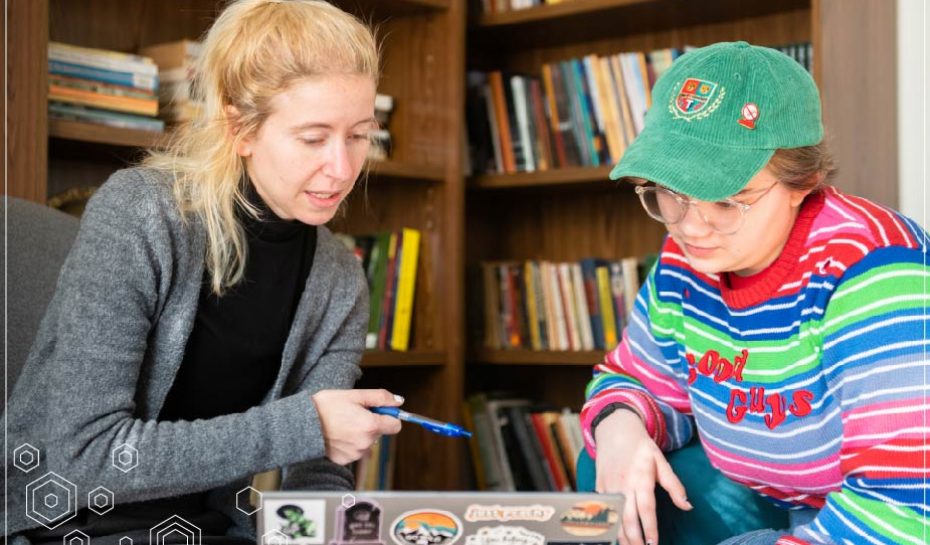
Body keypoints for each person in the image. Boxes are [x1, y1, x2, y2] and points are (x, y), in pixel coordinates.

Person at [6, 1, 404, 543]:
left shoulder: (338, 278)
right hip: (66, 522)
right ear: (240, 128)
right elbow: (86, 457)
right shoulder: (140, 213)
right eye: (313, 138)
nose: (342, 168)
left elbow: (316, 467)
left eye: (359, 135)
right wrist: (305, 425)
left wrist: (332, 526)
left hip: (204, 529)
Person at [582, 41, 929, 545]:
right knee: (607, 464)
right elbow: (631, 378)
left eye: (726, 201)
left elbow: (906, 505)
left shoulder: (877, 271)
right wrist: (619, 425)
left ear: (802, 183)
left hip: (888, 517)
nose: (691, 227)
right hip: (779, 500)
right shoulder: (686, 261)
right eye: (670, 193)